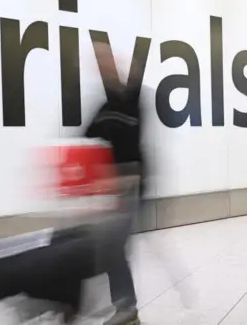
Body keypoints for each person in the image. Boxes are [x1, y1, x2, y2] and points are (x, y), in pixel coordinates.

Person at [84, 41, 146, 325]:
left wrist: (131, 176)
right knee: (107, 248)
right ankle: (120, 306)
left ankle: (126, 307)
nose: (102, 64)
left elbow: (134, 140)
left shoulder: (131, 99)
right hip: (110, 188)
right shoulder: (104, 107)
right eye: (98, 60)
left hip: (129, 186)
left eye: (104, 58)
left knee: (113, 247)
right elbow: (88, 139)